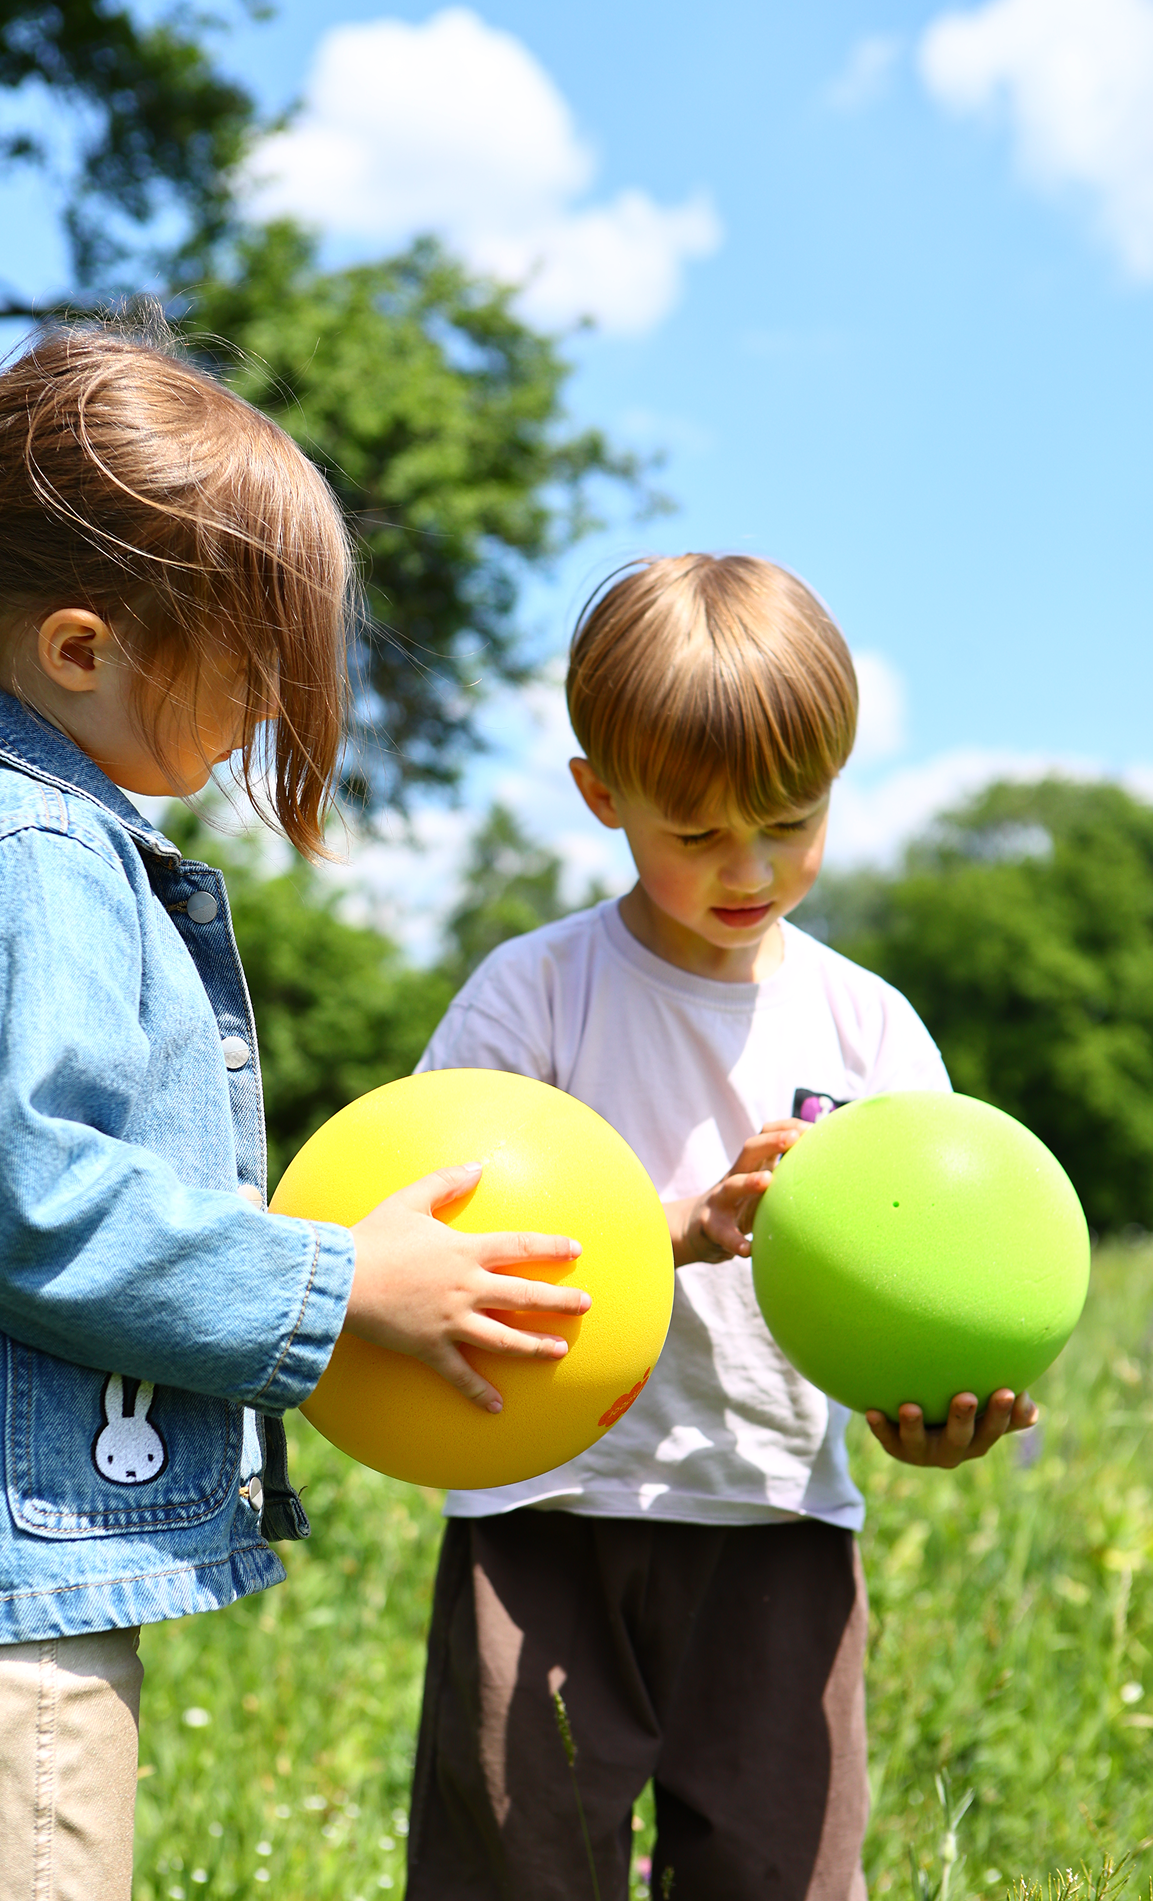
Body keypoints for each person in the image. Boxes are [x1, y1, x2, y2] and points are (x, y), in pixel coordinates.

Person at [0, 329, 590, 1901]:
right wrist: (337, 1287)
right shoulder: (32, 861)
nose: (274, 699)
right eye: (251, 656)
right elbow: (29, 1189)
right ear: (79, 649)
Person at [405, 554, 1037, 1901]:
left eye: (792, 821)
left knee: (778, 1870)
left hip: (777, 1516)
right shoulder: (537, 996)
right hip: (548, 1507)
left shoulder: (869, 1027)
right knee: (517, 1863)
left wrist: (929, 1409)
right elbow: (435, 1230)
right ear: (602, 796)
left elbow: (932, 1275)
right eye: (695, 835)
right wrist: (674, 1229)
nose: (748, 868)